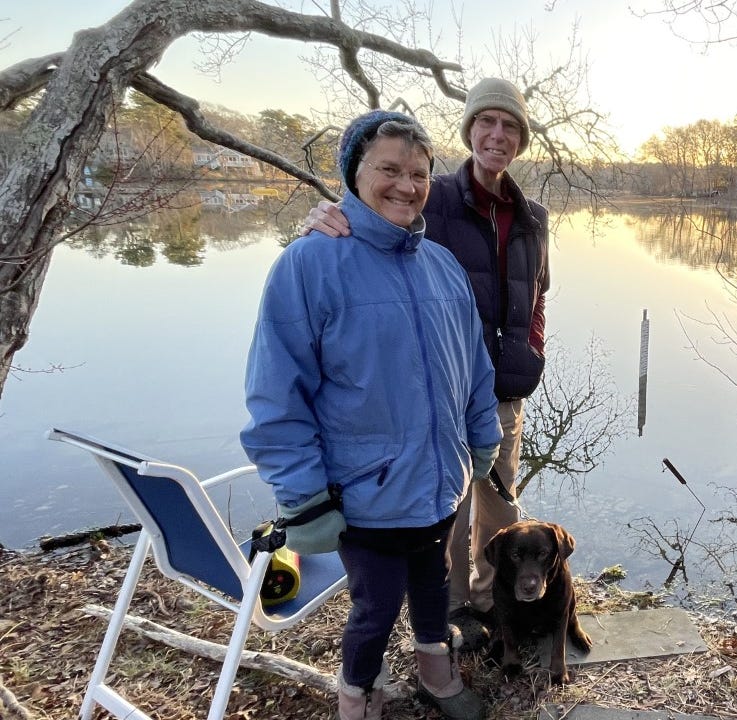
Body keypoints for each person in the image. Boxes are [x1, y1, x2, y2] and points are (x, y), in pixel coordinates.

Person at [242, 110, 501, 720]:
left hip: (439, 482)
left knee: (435, 583)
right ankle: (356, 698)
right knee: (375, 606)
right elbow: (277, 397)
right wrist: (303, 498)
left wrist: (481, 437)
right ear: (354, 175)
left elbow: (476, 369)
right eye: (388, 169)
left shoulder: (442, 266)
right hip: (364, 491)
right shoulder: (308, 264)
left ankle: (438, 677)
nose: (405, 186)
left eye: (418, 173)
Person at [305, 78, 551, 651]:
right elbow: (372, 234)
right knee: (449, 508)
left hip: (504, 391)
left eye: (509, 126)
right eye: (486, 123)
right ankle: (453, 606)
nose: (497, 134)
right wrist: (328, 214)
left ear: (520, 140)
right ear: (469, 131)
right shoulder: (430, 195)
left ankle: (494, 598)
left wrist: (530, 350)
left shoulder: (533, 215)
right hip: (438, 391)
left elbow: (538, 293)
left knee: (499, 505)